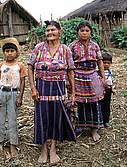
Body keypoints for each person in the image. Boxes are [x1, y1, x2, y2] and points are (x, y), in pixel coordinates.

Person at [28, 20, 77, 164]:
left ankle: (53, 148)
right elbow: (30, 68)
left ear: (60, 32)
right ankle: (43, 149)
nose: (49, 33)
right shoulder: (39, 48)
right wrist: (33, 88)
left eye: (52, 30)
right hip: (41, 87)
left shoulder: (65, 50)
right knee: (42, 117)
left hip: (58, 87)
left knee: (56, 117)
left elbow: (70, 72)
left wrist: (72, 93)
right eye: (47, 30)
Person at [68, 21, 105, 141]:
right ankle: (77, 128)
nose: (84, 33)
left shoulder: (95, 46)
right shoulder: (72, 46)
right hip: (77, 75)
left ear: (90, 32)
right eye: (82, 30)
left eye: (87, 31)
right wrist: (68, 79)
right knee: (78, 101)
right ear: (78, 32)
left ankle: (94, 129)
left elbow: (99, 61)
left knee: (95, 101)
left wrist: (102, 76)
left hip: (93, 75)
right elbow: (67, 64)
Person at [0, 38, 27, 157]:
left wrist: (20, 97)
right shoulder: (0, 66)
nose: (9, 53)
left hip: (14, 93)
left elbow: (23, 82)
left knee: (13, 120)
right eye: (7, 51)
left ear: (16, 52)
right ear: (3, 53)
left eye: (12, 51)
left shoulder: (20, 66)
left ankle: (13, 144)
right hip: (2, 92)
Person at [100, 53, 116, 128]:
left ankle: (106, 121)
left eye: (108, 63)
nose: (106, 65)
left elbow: (110, 82)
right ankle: (100, 121)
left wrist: (112, 89)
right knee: (101, 105)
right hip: (100, 91)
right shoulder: (98, 72)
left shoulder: (109, 72)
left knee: (107, 106)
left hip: (108, 91)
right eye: (104, 62)